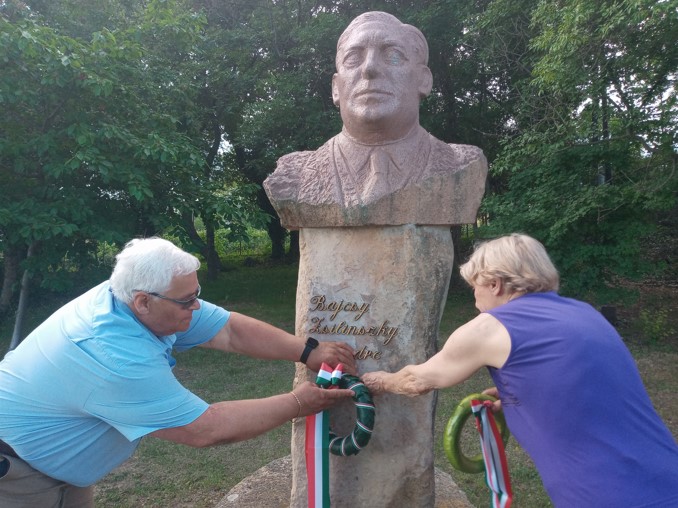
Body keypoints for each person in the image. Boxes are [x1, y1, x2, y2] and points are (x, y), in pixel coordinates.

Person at [0, 237, 356, 508]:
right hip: (17, 477)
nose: (197, 305)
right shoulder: (115, 356)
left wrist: (307, 350)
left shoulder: (133, 297)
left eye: (196, 293)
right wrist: (298, 402)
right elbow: (205, 429)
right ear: (143, 301)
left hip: (48, 466)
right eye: (187, 300)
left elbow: (229, 331)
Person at [362, 233, 678, 507]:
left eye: (474, 287)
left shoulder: (488, 328)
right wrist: (525, 392)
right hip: (665, 474)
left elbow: (417, 380)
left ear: (495, 284)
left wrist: (376, 380)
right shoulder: (585, 314)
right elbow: (589, 381)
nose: (475, 299)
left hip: (605, 494)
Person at [263, 11, 487, 227]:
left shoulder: (460, 164)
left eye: (393, 56)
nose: (369, 68)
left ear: (423, 80)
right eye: (353, 58)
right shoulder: (297, 174)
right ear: (335, 88)